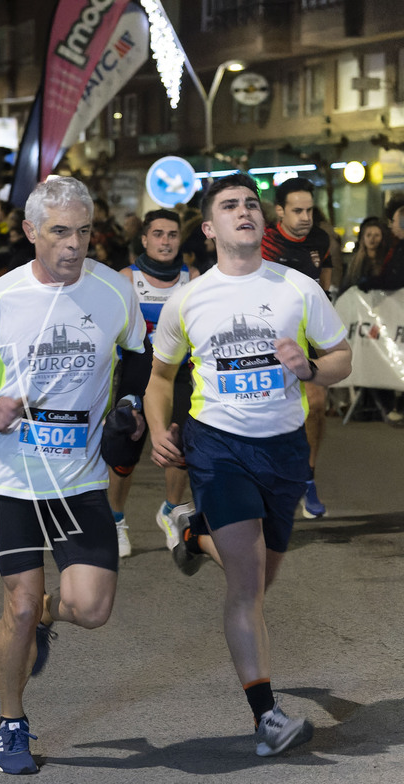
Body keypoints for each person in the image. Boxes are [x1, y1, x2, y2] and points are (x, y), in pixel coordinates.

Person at [0, 177, 147, 775]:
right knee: (20, 603)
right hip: (15, 477)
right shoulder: (1, 298)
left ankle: (46, 620)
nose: (74, 245)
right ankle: (12, 723)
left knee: (91, 608)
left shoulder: (114, 289)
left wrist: (129, 405)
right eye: (60, 231)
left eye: (84, 231)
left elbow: (136, 356)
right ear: (31, 231)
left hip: (81, 479)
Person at [147, 173, 351, 757]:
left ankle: (189, 531)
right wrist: (161, 430)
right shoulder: (188, 298)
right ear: (210, 228)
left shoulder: (299, 287)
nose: (245, 211)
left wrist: (310, 368)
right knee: (245, 583)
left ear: (263, 222)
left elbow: (341, 357)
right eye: (231, 205)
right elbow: (162, 378)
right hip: (219, 447)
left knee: (260, 581)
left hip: (284, 450)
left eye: (252, 204)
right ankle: (267, 718)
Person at [106, 209, 199, 556]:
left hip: (178, 375)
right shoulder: (125, 279)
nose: (165, 241)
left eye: (172, 235)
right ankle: (116, 521)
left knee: (179, 445)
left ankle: (172, 511)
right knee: (123, 452)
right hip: (136, 372)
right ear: (144, 239)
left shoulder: (194, 278)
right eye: (158, 234)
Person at [260, 177, 333, 518]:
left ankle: (308, 476)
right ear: (280, 211)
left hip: (310, 331)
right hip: (271, 334)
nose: (306, 217)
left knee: (316, 406)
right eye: (297, 210)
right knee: (275, 409)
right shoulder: (263, 241)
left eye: (310, 210)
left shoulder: (320, 239)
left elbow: (325, 282)